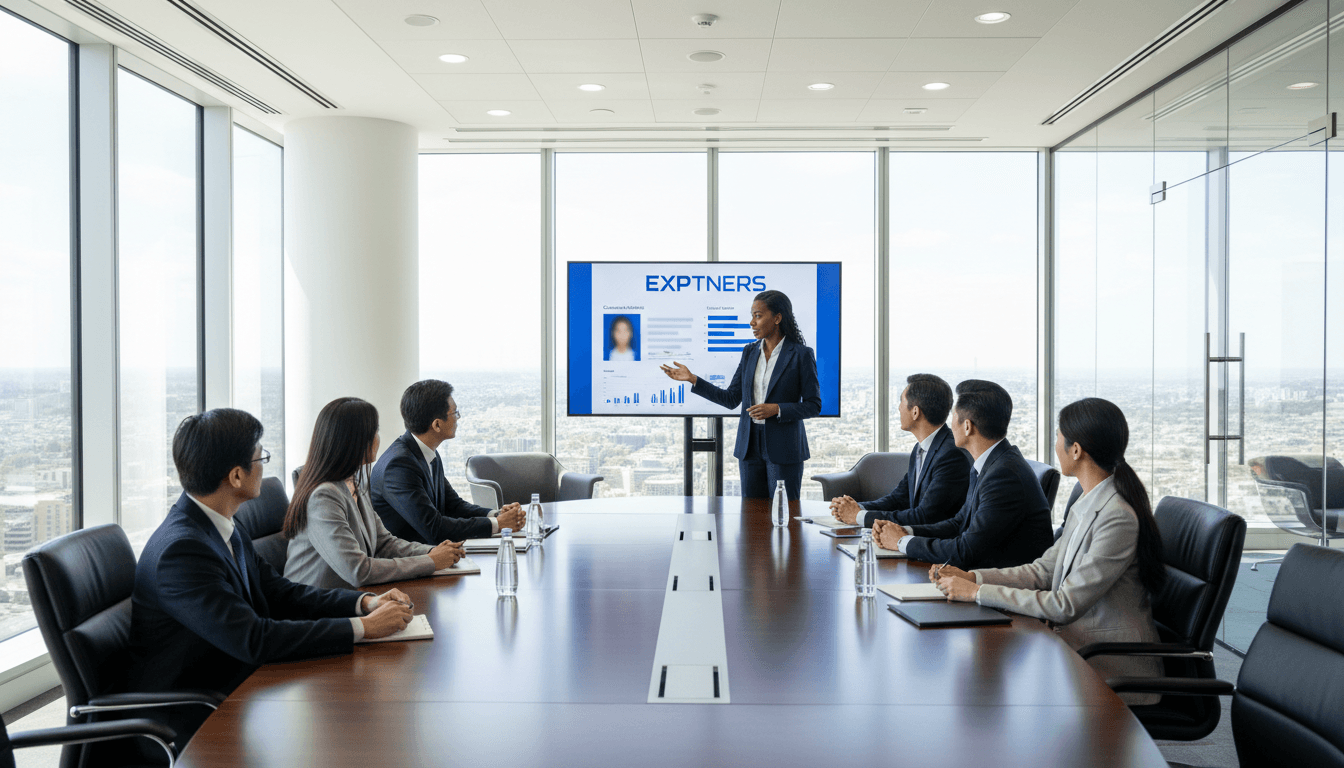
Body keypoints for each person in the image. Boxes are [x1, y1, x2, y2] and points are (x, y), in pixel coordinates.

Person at [126, 409, 414, 747]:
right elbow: (254, 639)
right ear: (236, 476)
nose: (265, 465)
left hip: (242, 685)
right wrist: (363, 628)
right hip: (193, 716)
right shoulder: (182, 552)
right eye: (260, 457)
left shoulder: (221, 525)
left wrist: (364, 603)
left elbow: (280, 592)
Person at [931, 397, 1165, 704]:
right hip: (1074, 651)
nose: (1055, 445)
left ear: (1076, 450)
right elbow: (1041, 571)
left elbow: (1064, 605)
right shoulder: (1089, 500)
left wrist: (976, 593)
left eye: (1057, 436)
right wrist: (973, 577)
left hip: (1110, 669)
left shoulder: (1116, 517)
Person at [283, 397, 466, 590]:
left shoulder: (353, 482)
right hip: (316, 603)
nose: (378, 438)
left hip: (351, 596)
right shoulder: (323, 497)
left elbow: (384, 543)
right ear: (354, 440)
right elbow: (358, 570)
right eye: (375, 431)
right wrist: (431, 561)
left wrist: (433, 551)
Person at [873, 379, 1052, 569]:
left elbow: (965, 551)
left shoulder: (1004, 476)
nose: (950, 426)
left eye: (953, 417)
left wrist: (901, 542)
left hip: (995, 581)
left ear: (967, 426)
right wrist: (905, 531)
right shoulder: (991, 463)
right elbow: (959, 523)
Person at [661, 290, 822, 499]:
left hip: (784, 448)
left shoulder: (801, 354)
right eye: (752, 316)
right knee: (751, 514)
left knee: (783, 511)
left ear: (777, 318)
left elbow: (813, 405)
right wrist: (693, 379)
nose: (752, 322)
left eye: (758, 316)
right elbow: (731, 399)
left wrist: (776, 409)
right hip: (749, 447)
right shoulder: (749, 352)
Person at [372, 379, 526, 544]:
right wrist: (498, 524)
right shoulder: (398, 466)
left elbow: (453, 506)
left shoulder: (427, 453)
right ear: (437, 425)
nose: (458, 418)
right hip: (410, 557)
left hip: (433, 551)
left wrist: (496, 515)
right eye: (455, 413)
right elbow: (434, 529)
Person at [829, 373, 970, 528]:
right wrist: (855, 508)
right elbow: (898, 499)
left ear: (915, 412)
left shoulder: (951, 455)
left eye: (902, 401)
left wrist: (858, 516)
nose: (899, 408)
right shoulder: (921, 448)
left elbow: (925, 516)